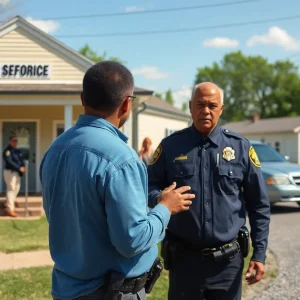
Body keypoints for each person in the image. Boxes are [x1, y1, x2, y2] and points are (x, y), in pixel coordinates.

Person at [39, 61, 195, 300]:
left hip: (66, 288)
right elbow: (131, 240)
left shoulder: (55, 149)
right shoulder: (122, 159)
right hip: (108, 291)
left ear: (83, 98)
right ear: (126, 104)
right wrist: (165, 208)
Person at [147, 82, 271, 300]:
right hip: (184, 263)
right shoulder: (170, 147)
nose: (206, 110)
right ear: (190, 107)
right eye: (200, 104)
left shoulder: (240, 147)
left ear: (221, 109)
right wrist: (160, 199)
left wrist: (259, 254)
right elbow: (148, 186)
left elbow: (259, 204)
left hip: (228, 264)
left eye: (212, 105)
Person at [2, 135, 25, 217]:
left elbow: (21, 160)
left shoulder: (17, 151)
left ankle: (8, 202)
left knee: (17, 188)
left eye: (16, 141)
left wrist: (22, 166)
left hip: (17, 173)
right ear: (10, 141)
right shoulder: (7, 151)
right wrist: (19, 167)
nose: (15, 142)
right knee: (11, 189)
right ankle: (10, 209)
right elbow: (9, 162)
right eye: (13, 140)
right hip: (10, 172)